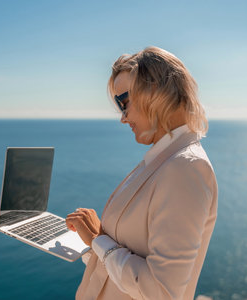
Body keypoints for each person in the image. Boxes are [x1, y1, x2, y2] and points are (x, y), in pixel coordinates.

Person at [66, 46, 218, 300]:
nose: (123, 118)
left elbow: (162, 291)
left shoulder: (186, 168)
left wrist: (98, 240)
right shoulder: (162, 160)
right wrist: (92, 244)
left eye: (124, 103)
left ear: (156, 91)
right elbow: (127, 252)